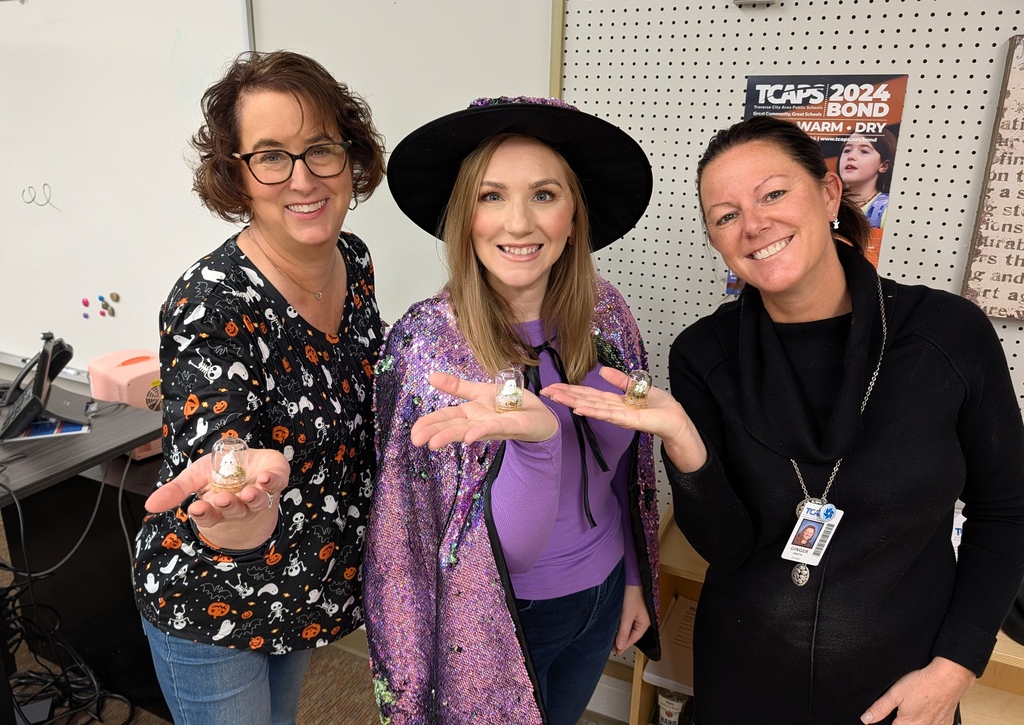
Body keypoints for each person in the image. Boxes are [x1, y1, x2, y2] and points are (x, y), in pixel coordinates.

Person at [543, 115, 1024, 724]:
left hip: (902, 690)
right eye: (725, 215)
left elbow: (1007, 507)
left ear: (827, 194)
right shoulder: (703, 355)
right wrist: (684, 442)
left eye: (773, 193)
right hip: (744, 681)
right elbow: (727, 545)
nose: (754, 225)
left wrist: (956, 667)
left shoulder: (947, 335)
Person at [364, 96, 662, 724]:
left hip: (604, 594)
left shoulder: (606, 315)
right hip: (504, 622)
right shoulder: (426, 346)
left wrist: (632, 576)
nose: (520, 223)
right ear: (462, 218)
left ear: (575, 217)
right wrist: (537, 444)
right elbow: (413, 543)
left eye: (545, 195)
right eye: (492, 196)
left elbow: (626, 469)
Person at [133, 50, 386, 725]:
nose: (302, 178)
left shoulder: (353, 261)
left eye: (320, 149)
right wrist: (241, 498)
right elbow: (222, 443)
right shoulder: (209, 301)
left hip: (300, 585)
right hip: (213, 595)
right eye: (271, 155)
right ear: (236, 176)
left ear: (350, 156)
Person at [837, 128, 897, 229]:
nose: (851, 156)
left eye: (864, 151)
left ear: (884, 166)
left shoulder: (887, 210)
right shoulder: (824, 202)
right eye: (847, 150)